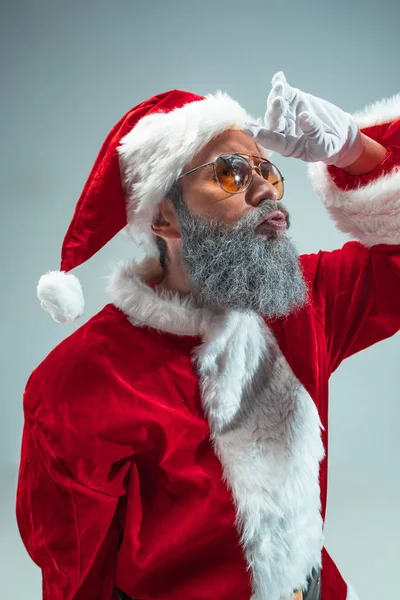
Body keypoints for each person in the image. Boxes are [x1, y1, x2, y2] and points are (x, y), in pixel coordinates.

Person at [16, 72, 400, 600]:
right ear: (165, 217)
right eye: (231, 173)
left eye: (267, 170)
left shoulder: (305, 303)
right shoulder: (77, 385)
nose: (266, 190)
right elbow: (79, 581)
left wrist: (358, 151)